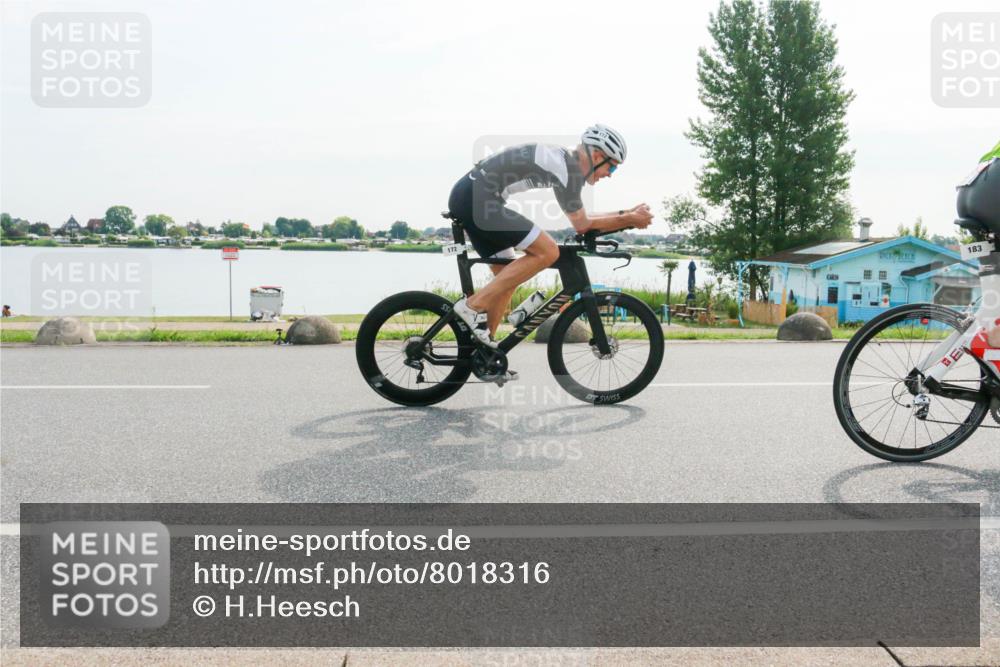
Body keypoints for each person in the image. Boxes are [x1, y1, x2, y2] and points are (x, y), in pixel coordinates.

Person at [447, 124, 653, 359]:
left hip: (474, 197)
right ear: (597, 156)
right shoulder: (568, 170)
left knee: (507, 277)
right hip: (479, 200)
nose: (609, 174)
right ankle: (472, 307)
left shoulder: (565, 163)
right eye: (612, 167)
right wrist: (630, 218)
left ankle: (485, 353)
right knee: (548, 251)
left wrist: (626, 214)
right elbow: (583, 225)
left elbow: (583, 217)